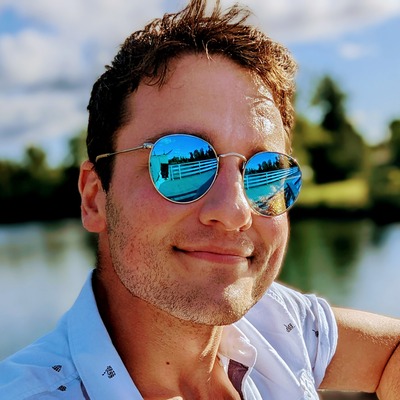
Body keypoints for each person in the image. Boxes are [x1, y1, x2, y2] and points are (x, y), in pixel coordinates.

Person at [1, 0, 399, 398]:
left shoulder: (278, 324)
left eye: (266, 172)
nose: (235, 211)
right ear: (94, 198)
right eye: (184, 161)